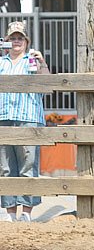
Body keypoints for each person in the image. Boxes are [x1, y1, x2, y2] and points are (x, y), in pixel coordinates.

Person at [0, 21, 49, 222]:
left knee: (28, 165)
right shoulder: (1, 62)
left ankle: (26, 213)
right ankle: (10, 212)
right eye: (13, 38)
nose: (16, 41)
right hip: (3, 117)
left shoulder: (32, 59)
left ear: (26, 41)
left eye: (20, 38)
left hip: (28, 117)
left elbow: (47, 84)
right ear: (6, 42)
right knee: (5, 167)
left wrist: (43, 63)